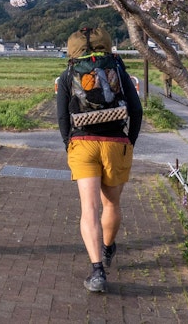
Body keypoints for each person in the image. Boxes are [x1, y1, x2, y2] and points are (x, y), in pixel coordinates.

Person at [56, 26, 143, 293]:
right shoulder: (117, 69)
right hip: (116, 142)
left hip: (83, 144)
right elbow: (136, 110)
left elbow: (61, 116)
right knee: (111, 203)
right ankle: (107, 249)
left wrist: (68, 144)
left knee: (89, 208)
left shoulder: (69, 72)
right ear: (107, 45)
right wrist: (130, 141)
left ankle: (97, 272)